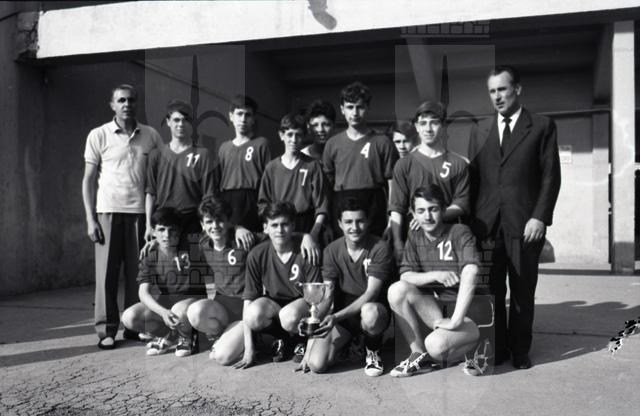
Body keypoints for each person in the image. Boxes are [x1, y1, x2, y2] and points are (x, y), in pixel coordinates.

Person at [467, 65, 561, 369]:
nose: (497, 96)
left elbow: (550, 177)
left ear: (517, 89)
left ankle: (520, 351)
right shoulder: (479, 129)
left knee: (522, 290)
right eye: (492, 91)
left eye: (502, 89)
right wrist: (470, 223)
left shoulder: (542, 126)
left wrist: (540, 217)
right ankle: (497, 349)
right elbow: (473, 179)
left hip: (525, 224)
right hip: (487, 226)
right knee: (491, 291)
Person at [82, 84, 162, 350]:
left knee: (137, 275)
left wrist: (154, 220)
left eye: (131, 100)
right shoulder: (99, 135)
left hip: (140, 215)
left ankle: (133, 326)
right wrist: (90, 219)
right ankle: (106, 330)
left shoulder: (151, 135)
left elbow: (159, 176)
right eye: (121, 100)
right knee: (106, 275)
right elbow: (88, 180)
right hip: (108, 213)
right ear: (112, 105)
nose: (127, 104)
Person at [387, 185, 482, 378]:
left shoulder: (459, 231)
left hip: (466, 313)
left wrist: (456, 320)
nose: (427, 216)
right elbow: (406, 275)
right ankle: (419, 356)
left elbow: (471, 270)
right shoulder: (415, 236)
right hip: (438, 312)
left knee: (435, 346)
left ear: (444, 210)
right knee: (397, 290)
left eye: (433, 209)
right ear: (413, 214)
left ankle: (479, 347)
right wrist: (436, 274)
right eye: (421, 210)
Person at [304, 198, 393, 377]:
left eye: (360, 221)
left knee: (370, 313)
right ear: (340, 224)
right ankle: (351, 343)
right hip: (344, 310)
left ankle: (372, 350)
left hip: (372, 307)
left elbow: (371, 293)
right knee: (316, 364)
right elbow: (327, 296)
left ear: (368, 222)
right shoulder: (331, 250)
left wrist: (335, 317)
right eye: (348, 222)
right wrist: (312, 331)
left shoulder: (380, 248)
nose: (355, 227)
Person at [236, 202, 322, 368]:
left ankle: (301, 340)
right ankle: (283, 339)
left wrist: (310, 352)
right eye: (274, 225)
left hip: (300, 306)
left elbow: (315, 303)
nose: (280, 230)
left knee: (288, 315)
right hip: (275, 305)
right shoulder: (257, 254)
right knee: (252, 314)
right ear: (265, 228)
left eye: (284, 224)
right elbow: (248, 300)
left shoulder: (307, 250)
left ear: (293, 226)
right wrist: (249, 350)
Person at [388, 101, 469, 260]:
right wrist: (397, 243)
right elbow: (397, 208)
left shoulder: (458, 163)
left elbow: (462, 203)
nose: (428, 128)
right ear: (417, 127)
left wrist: (431, 216)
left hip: (447, 239)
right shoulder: (404, 164)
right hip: (414, 239)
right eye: (423, 123)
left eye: (434, 122)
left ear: (444, 126)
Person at [186, 199, 263, 364]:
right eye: (209, 222)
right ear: (202, 225)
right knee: (194, 312)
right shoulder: (203, 244)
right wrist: (154, 241)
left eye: (220, 220)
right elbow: (172, 242)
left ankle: (250, 337)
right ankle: (223, 336)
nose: (215, 226)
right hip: (223, 307)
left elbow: (278, 237)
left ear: (228, 221)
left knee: (222, 357)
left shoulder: (243, 239)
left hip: (246, 308)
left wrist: (306, 237)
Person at [121, 207, 205, 357]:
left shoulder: (192, 247)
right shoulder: (150, 256)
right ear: (153, 232)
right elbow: (143, 293)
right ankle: (169, 335)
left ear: (179, 231)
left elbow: (214, 234)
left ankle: (187, 336)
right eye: (161, 230)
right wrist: (163, 312)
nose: (167, 235)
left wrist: (237, 228)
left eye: (172, 230)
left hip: (192, 304)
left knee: (178, 310)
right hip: (168, 305)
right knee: (129, 316)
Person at [322, 81, 398, 238]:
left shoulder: (383, 142)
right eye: (350, 107)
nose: (355, 112)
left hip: (374, 204)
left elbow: (392, 186)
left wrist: (391, 221)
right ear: (342, 109)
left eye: (360, 107)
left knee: (376, 249)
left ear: (368, 108)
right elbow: (326, 189)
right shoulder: (332, 144)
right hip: (342, 202)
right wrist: (327, 222)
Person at [258, 112, 329, 264]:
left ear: (304, 136)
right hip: (280, 225)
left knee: (307, 267)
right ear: (281, 135)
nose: (294, 139)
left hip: (306, 225)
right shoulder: (271, 168)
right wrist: (272, 229)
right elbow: (263, 204)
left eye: (298, 135)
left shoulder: (313, 165)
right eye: (290, 134)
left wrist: (313, 234)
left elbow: (322, 206)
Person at [145, 100, 217, 249]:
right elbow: (150, 193)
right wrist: (148, 225)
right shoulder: (156, 155)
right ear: (168, 122)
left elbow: (208, 195)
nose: (181, 124)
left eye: (185, 120)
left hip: (193, 220)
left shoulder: (203, 154)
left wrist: (206, 224)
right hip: (165, 220)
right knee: (166, 262)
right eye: (176, 120)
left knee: (192, 261)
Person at [217, 94, 270, 234]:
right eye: (239, 114)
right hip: (228, 200)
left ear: (253, 119)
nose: (243, 119)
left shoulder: (261, 144)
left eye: (248, 115)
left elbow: (268, 180)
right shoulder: (224, 148)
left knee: (251, 239)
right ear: (231, 116)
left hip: (252, 199)